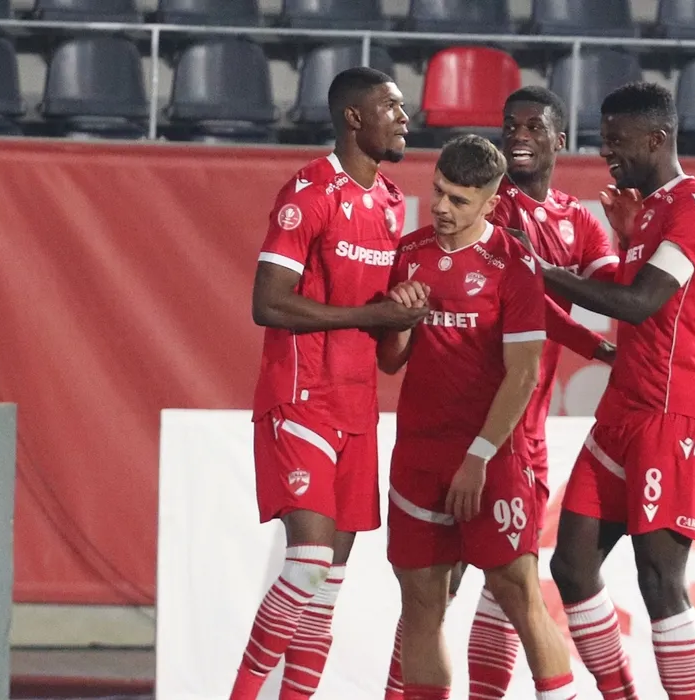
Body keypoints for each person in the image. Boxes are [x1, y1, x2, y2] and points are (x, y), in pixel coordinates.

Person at [381, 88, 618, 700]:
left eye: (458, 200)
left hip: (502, 447)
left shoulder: (528, 253)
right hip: (421, 455)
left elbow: (531, 363)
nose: (442, 208)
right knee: (423, 601)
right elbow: (390, 359)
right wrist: (398, 318)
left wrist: (479, 455)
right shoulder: (410, 253)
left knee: (515, 589)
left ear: (490, 201)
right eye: (438, 193)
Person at [534, 82, 695, 700]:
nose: (606, 153)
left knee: (659, 580)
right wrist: (628, 240)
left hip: (673, 413)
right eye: (604, 140)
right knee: (571, 567)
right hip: (625, 409)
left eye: (617, 141)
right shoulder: (649, 209)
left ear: (657, 139)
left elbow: (638, 302)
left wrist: (542, 272)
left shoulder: (694, 206)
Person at [229, 67, 426, 700]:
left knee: (327, 588)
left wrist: (407, 317)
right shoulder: (309, 192)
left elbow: (389, 355)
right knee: (309, 562)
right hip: (301, 399)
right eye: (391, 107)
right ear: (353, 117)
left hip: (358, 410)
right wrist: (369, 315)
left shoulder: (392, 202)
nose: (405, 117)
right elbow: (267, 302)